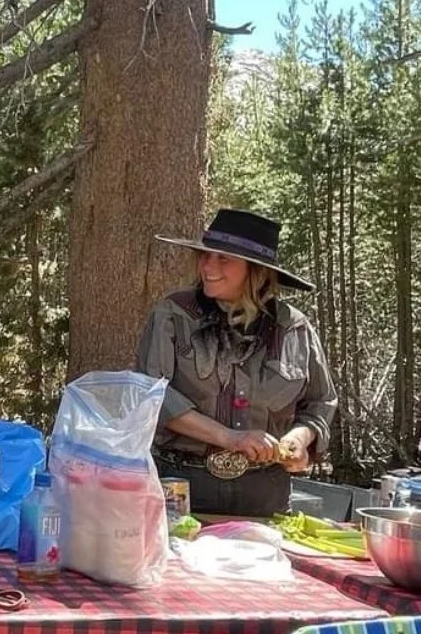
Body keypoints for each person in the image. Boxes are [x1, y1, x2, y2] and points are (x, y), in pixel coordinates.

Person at [136, 208, 338, 518]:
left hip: (266, 495)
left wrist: (300, 438)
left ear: (257, 271)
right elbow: (153, 393)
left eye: (223, 259)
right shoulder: (174, 314)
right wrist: (229, 437)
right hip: (182, 488)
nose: (208, 266)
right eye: (205, 256)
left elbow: (320, 402)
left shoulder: (294, 327)